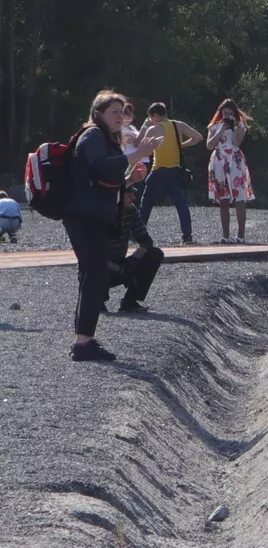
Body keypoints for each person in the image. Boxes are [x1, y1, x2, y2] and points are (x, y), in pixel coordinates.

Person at [67, 90, 149, 359]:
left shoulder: (104, 138)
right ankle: (82, 342)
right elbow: (99, 168)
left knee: (92, 275)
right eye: (114, 111)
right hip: (85, 216)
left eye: (122, 111)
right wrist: (137, 154)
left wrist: (130, 178)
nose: (120, 116)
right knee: (95, 276)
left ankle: (83, 338)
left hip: (91, 215)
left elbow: (105, 180)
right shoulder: (92, 135)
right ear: (98, 113)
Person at [134, 102, 202, 246]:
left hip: (158, 170)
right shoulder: (179, 125)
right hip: (174, 171)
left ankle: (138, 234)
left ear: (155, 116)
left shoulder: (153, 129)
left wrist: (145, 127)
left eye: (150, 118)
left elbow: (143, 149)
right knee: (181, 204)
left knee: (146, 203)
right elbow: (198, 137)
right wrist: (181, 145)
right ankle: (187, 236)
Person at [205, 99, 255, 241]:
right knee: (223, 199)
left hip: (234, 159)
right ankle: (225, 236)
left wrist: (233, 128)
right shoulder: (214, 126)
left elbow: (236, 143)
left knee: (239, 198)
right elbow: (209, 145)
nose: (226, 116)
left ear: (234, 114)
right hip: (219, 159)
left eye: (230, 113)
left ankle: (241, 235)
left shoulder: (240, 126)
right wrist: (221, 129)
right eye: (224, 113)